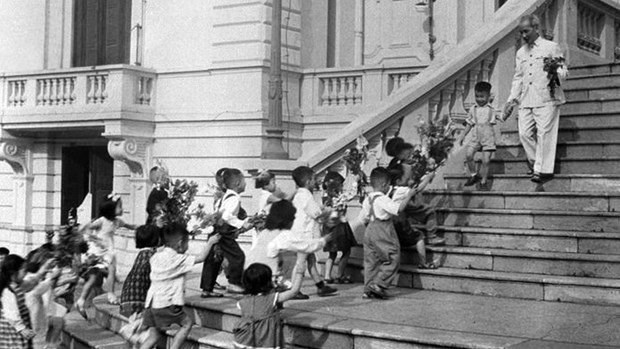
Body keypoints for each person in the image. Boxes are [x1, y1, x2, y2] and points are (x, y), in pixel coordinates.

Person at [505, 14, 568, 184]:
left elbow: (563, 70)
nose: (523, 35)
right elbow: (518, 77)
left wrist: (557, 72)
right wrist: (512, 99)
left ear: (536, 28)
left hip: (547, 97)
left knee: (544, 134)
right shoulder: (520, 53)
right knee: (524, 134)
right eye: (521, 32)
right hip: (526, 99)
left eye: (526, 31)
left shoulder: (551, 47)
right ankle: (536, 164)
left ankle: (542, 170)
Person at [139, 223, 220, 349]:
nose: (187, 246)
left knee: (153, 335)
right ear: (180, 243)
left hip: (151, 303)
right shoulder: (178, 259)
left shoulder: (155, 257)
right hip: (167, 303)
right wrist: (210, 242)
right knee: (187, 324)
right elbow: (201, 257)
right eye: (187, 242)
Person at [355, 167, 418, 299]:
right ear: (384, 184)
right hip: (383, 229)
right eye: (388, 184)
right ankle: (379, 283)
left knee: (370, 261)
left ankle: (368, 289)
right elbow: (398, 209)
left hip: (370, 229)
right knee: (393, 257)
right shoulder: (383, 199)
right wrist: (409, 196)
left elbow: (362, 218)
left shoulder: (368, 199)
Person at [76, 194, 137, 318]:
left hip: (107, 251)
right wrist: (94, 238)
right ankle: (109, 295)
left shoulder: (117, 221)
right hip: (97, 252)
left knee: (101, 275)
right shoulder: (102, 221)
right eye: (119, 206)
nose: (122, 209)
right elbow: (84, 229)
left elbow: (131, 227)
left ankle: (82, 300)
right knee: (108, 271)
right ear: (111, 208)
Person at [246, 200, 332, 286]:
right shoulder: (284, 236)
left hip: (250, 272)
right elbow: (304, 246)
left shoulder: (266, 232)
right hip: (263, 276)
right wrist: (324, 240)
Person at [200, 168, 253, 297]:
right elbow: (227, 216)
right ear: (237, 183)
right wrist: (241, 224)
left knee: (213, 260)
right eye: (244, 181)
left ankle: (207, 289)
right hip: (224, 233)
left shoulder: (224, 196)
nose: (246, 184)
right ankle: (234, 283)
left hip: (216, 231)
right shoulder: (234, 198)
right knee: (238, 256)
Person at [386, 139, 445, 246]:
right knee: (429, 211)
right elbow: (413, 187)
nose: (413, 157)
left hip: (395, 198)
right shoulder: (407, 168)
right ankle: (431, 236)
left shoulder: (394, 165)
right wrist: (427, 178)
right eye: (411, 154)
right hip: (406, 198)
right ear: (404, 154)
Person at [232, 263, 305, 349]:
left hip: (244, 339)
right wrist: (299, 273)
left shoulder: (242, 302)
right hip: (265, 340)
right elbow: (294, 292)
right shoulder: (271, 298)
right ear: (267, 283)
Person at [290, 166, 337, 298]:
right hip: (304, 235)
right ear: (308, 181)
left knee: (311, 260)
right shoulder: (306, 196)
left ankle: (320, 286)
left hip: (300, 233)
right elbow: (317, 214)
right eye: (314, 179)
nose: (316, 182)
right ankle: (294, 289)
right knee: (301, 262)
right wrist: (329, 211)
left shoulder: (299, 195)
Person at [388, 164, 438, 269]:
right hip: (399, 220)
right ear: (398, 181)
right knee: (418, 236)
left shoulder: (391, 190)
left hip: (389, 221)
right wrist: (428, 178)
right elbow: (418, 189)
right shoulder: (402, 189)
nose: (409, 181)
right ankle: (423, 262)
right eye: (407, 179)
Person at [459, 81, 503, 190]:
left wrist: (508, 109)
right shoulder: (473, 109)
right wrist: (463, 135)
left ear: (488, 96)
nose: (479, 99)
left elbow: (502, 117)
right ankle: (474, 175)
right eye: (477, 96)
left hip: (488, 136)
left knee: (486, 160)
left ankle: (484, 180)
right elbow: (469, 124)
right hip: (475, 136)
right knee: (469, 155)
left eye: (482, 97)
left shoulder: (492, 110)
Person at [321, 172, 357, 284]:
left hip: (329, 226)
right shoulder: (340, 197)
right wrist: (356, 181)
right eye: (341, 184)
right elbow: (352, 194)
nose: (342, 186)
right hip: (340, 226)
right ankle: (339, 275)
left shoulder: (325, 196)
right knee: (346, 251)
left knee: (332, 253)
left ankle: (327, 276)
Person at [119, 224, 162, 317]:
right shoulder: (153, 256)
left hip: (126, 302)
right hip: (138, 305)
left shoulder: (142, 254)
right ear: (158, 239)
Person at [0, 255, 35, 349]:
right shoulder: (8, 291)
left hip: (18, 327)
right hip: (12, 329)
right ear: (13, 272)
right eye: (24, 271)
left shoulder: (17, 285)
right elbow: (11, 312)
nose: (26, 274)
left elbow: (31, 283)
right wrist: (21, 328)